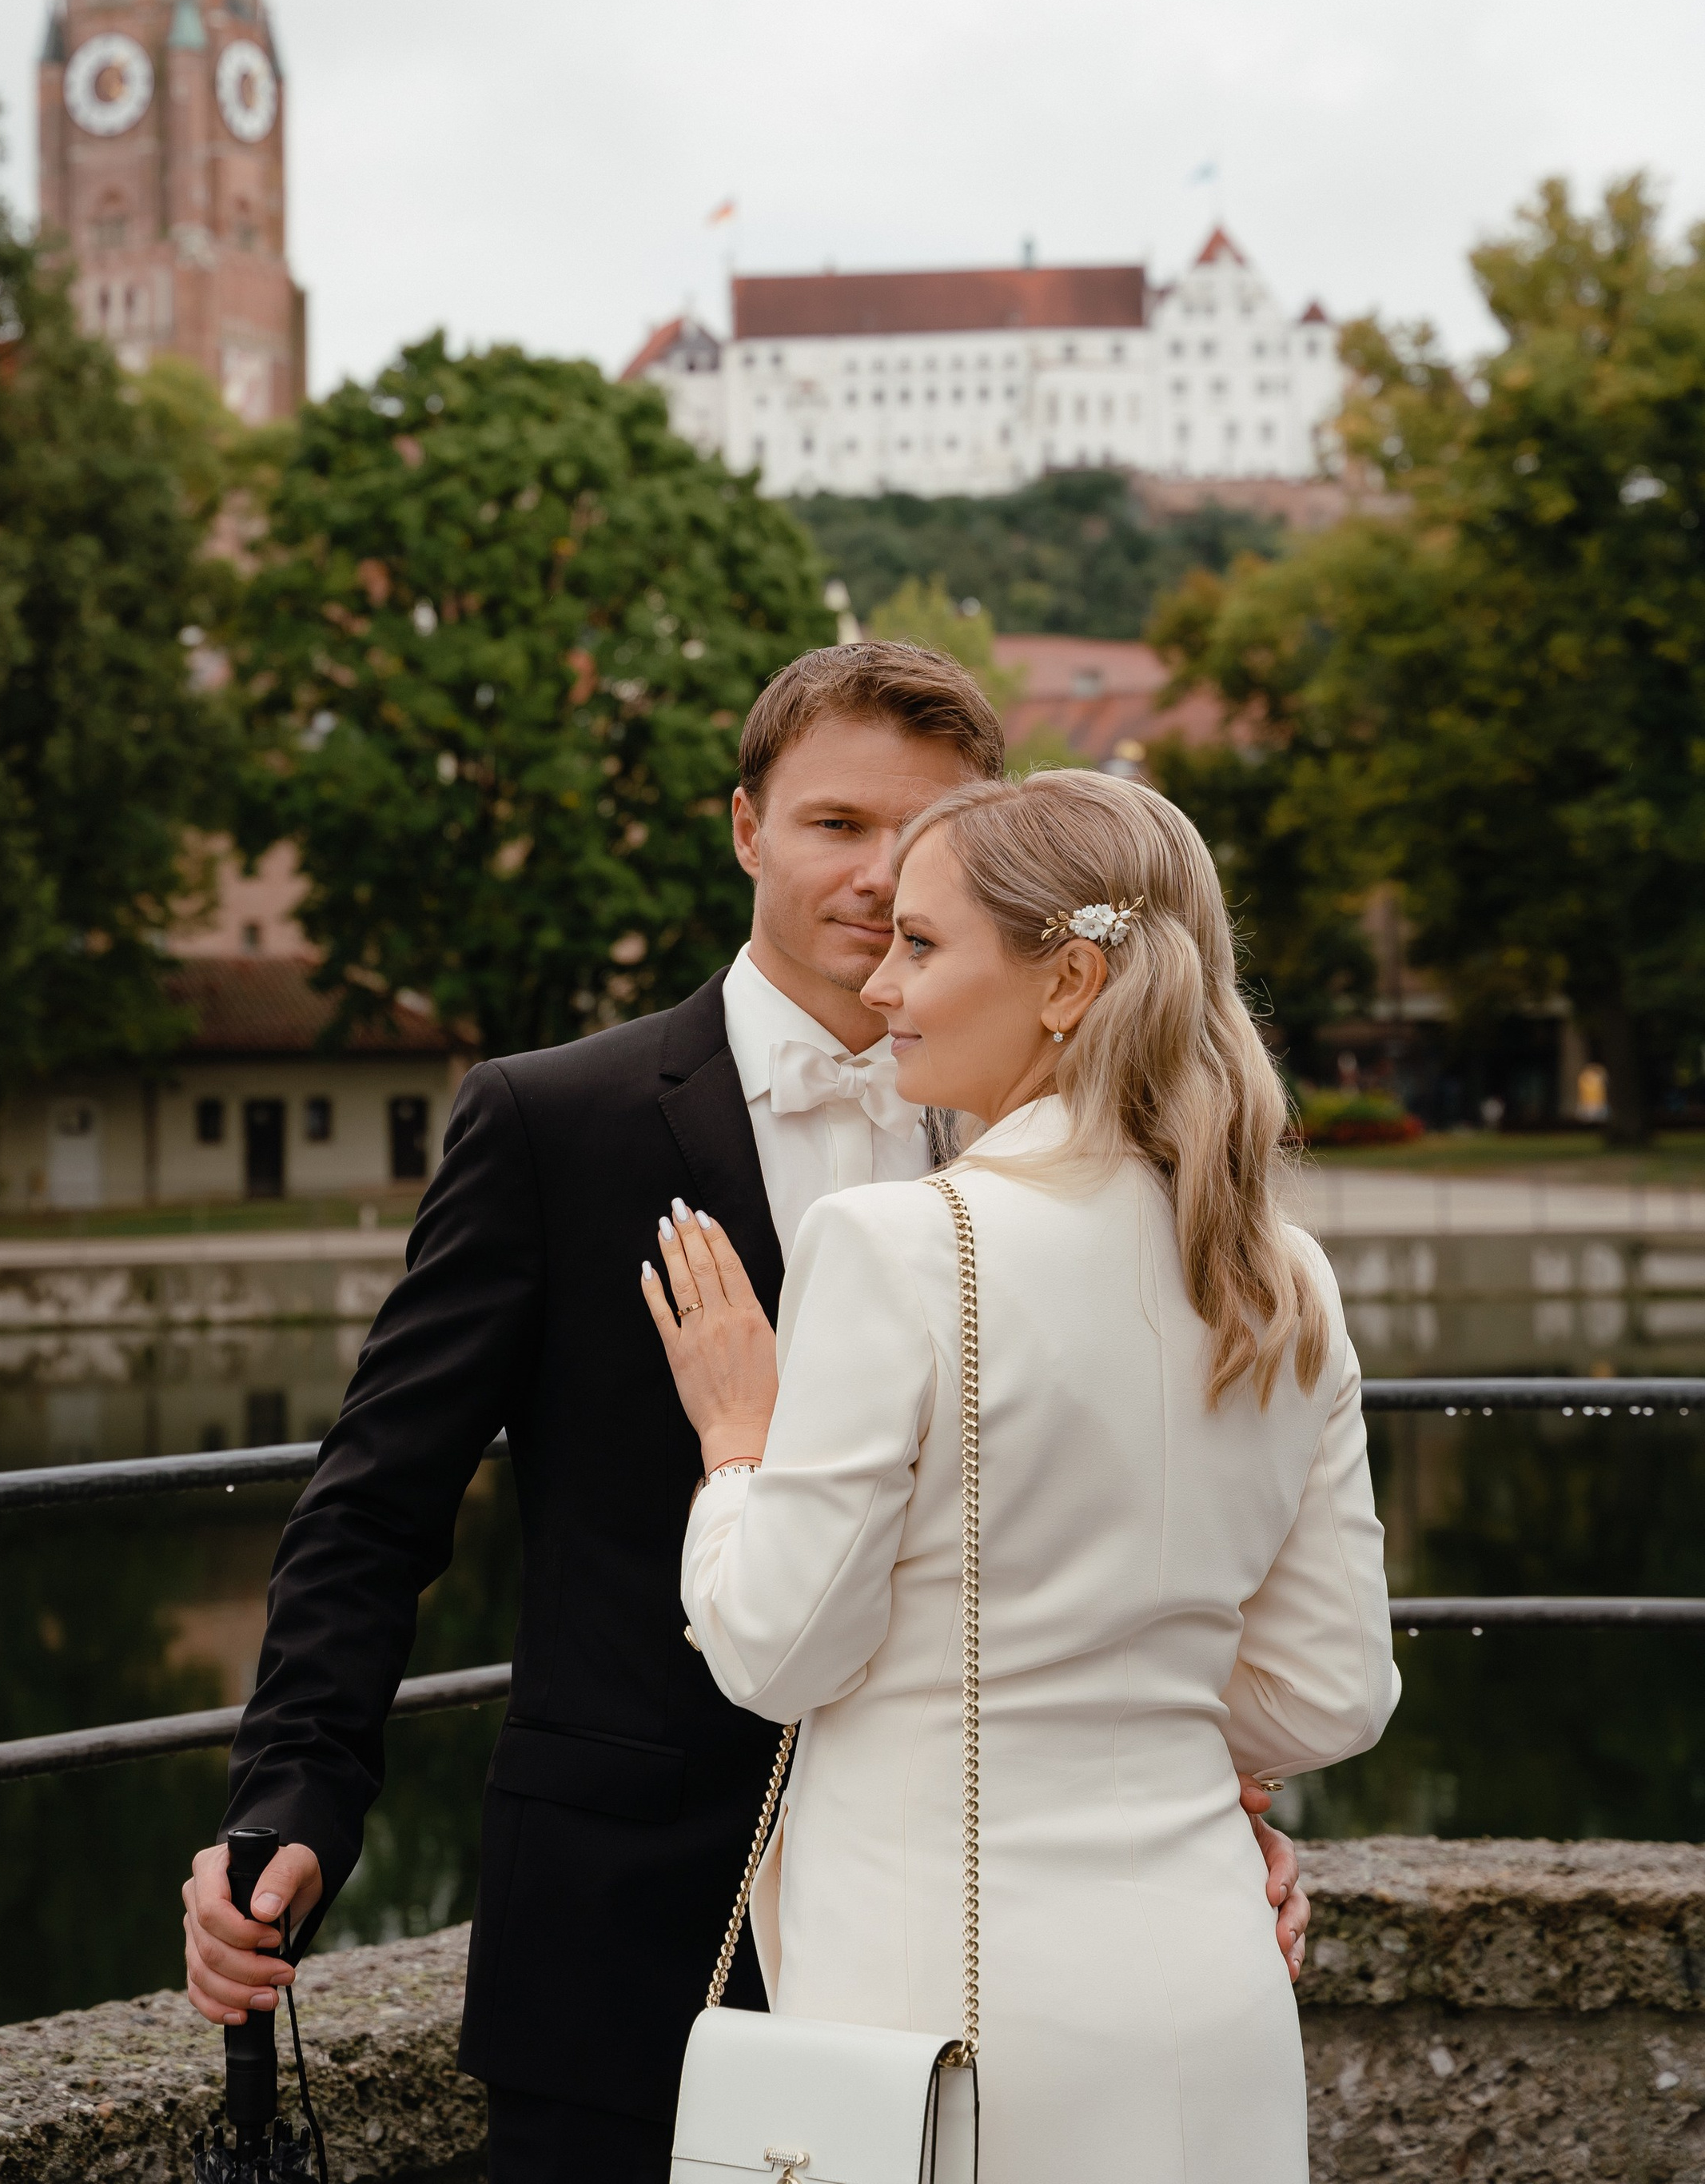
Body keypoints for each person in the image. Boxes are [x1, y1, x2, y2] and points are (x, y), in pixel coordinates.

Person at [184, 650, 1313, 2182]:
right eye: (833, 823)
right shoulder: (553, 1122)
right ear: (744, 831)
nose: (876, 878)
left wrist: (1203, 1794)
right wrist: (296, 1794)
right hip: (630, 1927)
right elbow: (379, 1499)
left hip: (970, 1942)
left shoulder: (1096, 1174)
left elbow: (1135, 1532)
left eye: (922, 840)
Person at [648, 768, 1396, 2184]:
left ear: (1069, 979)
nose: (881, 985)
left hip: (942, 2009)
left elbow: (773, 1647)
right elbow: (1336, 1692)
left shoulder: (898, 1246)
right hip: (1211, 1982)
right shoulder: (1280, 1273)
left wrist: (737, 1447)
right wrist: (1141, 1719)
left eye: (924, 946)